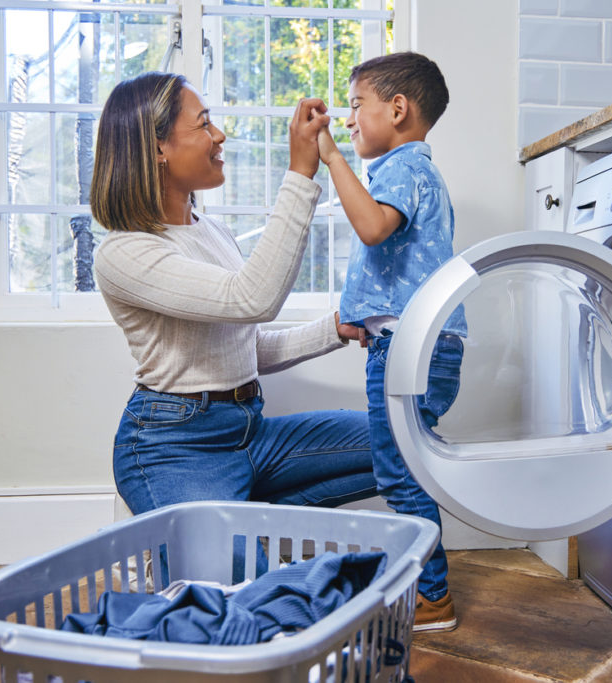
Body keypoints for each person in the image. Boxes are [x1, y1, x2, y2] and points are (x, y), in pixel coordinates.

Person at [90, 72, 377, 520]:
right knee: (236, 588)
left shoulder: (214, 234)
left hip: (251, 433)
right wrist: (300, 173)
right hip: (175, 446)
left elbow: (246, 346)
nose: (219, 135)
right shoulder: (125, 252)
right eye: (203, 124)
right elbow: (253, 299)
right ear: (157, 148)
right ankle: (217, 538)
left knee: (398, 443)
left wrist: (333, 328)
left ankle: (244, 523)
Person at [317, 52, 467, 632]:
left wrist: (330, 156)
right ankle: (421, 580)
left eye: (356, 106)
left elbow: (375, 228)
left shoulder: (402, 167)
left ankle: (432, 595)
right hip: (413, 344)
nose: (349, 120)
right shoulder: (412, 170)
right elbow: (396, 260)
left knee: (399, 473)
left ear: (398, 109)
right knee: (403, 466)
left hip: (411, 350)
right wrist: (368, 319)